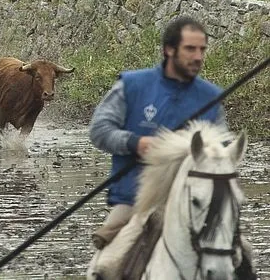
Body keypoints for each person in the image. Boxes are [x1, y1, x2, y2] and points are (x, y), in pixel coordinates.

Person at [88, 16, 253, 275]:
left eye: (202, 49)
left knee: (245, 256)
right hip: (136, 202)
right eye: (190, 49)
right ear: (169, 50)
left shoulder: (211, 97)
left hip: (201, 206)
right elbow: (99, 129)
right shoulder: (132, 86)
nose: (198, 56)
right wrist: (135, 142)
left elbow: (219, 154)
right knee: (106, 266)